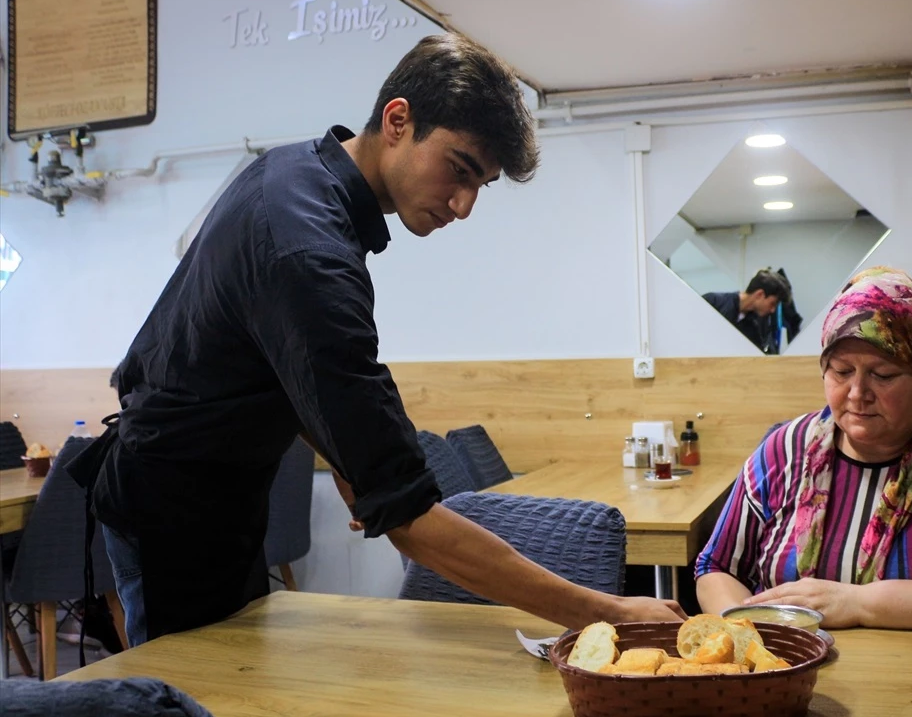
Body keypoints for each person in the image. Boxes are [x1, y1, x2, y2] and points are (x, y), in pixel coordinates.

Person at [69, 34, 685, 646]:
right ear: (398, 120)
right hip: (174, 513)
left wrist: (348, 455)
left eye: (480, 186)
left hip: (209, 496)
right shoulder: (310, 254)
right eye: (459, 169)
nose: (464, 205)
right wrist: (605, 612)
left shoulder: (290, 172)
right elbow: (411, 522)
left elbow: (271, 362)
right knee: (186, 707)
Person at [694, 267, 912, 630]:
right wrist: (752, 634)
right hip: (789, 670)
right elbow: (716, 567)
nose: (856, 393)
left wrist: (860, 603)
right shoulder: (784, 450)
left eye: (882, 375)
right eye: (840, 371)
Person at [702, 269, 792, 354]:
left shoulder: (757, 327)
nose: (773, 310)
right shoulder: (713, 302)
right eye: (772, 304)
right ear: (759, 294)